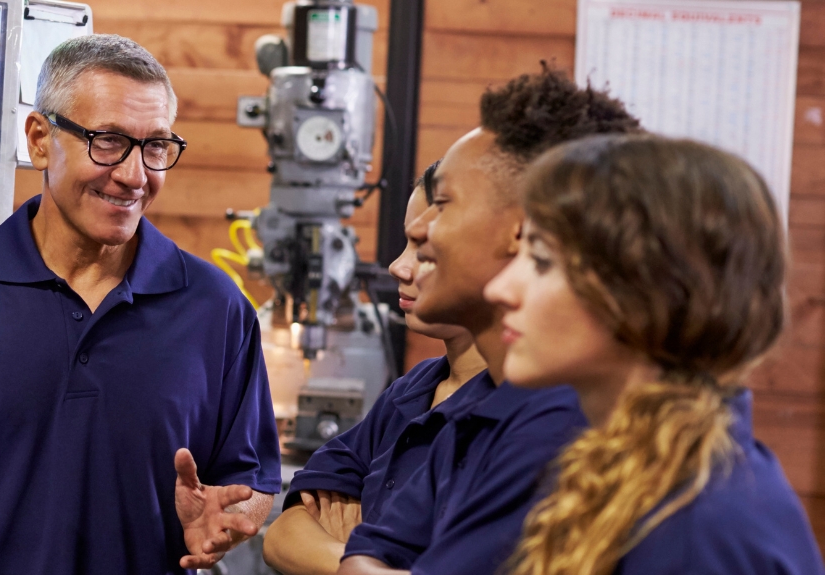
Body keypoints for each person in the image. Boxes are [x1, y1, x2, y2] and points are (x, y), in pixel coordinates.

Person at [0, 34, 280, 573]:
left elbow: (250, 480)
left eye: (156, 147)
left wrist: (234, 518)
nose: (133, 175)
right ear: (39, 140)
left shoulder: (217, 307)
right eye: (108, 141)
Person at [334, 65, 640, 575]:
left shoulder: (564, 420)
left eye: (445, 204)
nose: (421, 230)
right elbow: (362, 558)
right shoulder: (471, 408)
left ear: (522, 229)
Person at [486, 135, 825, 575]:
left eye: (542, 260)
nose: (497, 290)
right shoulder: (640, 463)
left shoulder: (699, 523)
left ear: (647, 295)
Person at [262, 164, 492, 575]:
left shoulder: (511, 412)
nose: (398, 267)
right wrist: (362, 563)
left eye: (424, 251)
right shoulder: (413, 390)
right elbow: (282, 535)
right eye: (407, 243)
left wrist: (349, 550)